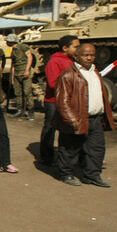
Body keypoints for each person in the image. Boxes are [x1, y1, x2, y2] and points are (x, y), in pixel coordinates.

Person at [53, 43, 115, 187]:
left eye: (92, 55)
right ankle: (66, 174)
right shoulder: (68, 74)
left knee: (96, 149)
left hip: (95, 119)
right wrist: (72, 119)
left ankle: (92, 175)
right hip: (77, 119)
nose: (89, 58)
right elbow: (62, 100)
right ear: (76, 56)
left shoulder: (95, 73)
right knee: (70, 149)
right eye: (85, 55)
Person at [40, 35, 80, 165]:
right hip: (54, 101)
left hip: (69, 101)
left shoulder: (71, 60)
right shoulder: (55, 62)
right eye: (75, 47)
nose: (78, 49)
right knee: (50, 129)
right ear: (65, 47)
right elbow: (53, 83)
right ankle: (47, 157)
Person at [6, 33, 35, 120]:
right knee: (18, 93)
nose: (6, 43)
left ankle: (31, 112)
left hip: (24, 73)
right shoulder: (13, 50)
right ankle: (20, 110)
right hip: (17, 74)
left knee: (27, 93)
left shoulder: (23, 47)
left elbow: (30, 57)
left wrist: (27, 70)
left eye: (8, 41)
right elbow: (14, 64)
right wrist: (12, 78)